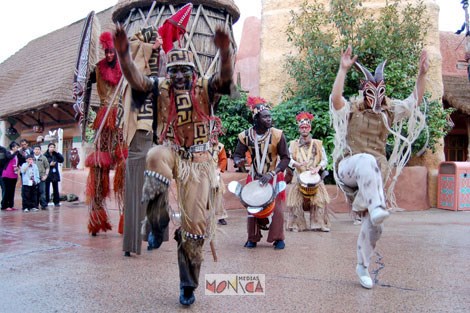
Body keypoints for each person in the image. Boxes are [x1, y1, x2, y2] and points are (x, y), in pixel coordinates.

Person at [113, 21, 233, 306]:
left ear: (193, 73)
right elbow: (136, 80)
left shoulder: (206, 87)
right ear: (168, 73)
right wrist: (123, 55)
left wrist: (225, 51)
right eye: (174, 71)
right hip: (173, 152)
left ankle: (187, 284)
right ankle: (158, 221)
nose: (179, 76)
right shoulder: (161, 87)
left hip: (200, 162)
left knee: (194, 229)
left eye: (184, 71)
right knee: (154, 155)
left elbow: (226, 78)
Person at [330, 46, 429, 289]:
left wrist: (422, 75)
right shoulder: (353, 108)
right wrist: (343, 70)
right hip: (350, 167)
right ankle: (377, 206)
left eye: (379, 91)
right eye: (369, 92)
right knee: (365, 159)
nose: (374, 97)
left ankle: (362, 266)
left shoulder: (390, 111)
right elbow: (336, 100)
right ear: (364, 92)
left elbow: (414, 100)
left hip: (374, 175)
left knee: (376, 226)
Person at [74, 31, 127, 236]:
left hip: (121, 118)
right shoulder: (98, 69)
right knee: (98, 167)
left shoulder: (125, 68)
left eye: (112, 52)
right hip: (104, 119)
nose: (109, 55)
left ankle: (125, 218)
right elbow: (84, 85)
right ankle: (96, 217)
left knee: (124, 164)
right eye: (106, 52)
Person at [117, 26, 163, 256]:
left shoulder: (156, 81)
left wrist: (158, 51)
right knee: (135, 194)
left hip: (154, 141)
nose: (154, 52)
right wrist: (149, 47)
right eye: (151, 49)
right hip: (138, 140)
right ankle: (131, 245)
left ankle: (151, 236)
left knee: (155, 191)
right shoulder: (133, 79)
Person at [232, 100, 290, 250]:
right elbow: (237, 155)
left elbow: (285, 158)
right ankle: (252, 237)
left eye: (270, 116)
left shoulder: (277, 135)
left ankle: (278, 238)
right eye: (265, 117)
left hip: (274, 176)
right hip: (255, 176)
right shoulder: (245, 136)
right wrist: (239, 161)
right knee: (252, 207)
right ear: (256, 119)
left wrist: (272, 173)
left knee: (277, 209)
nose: (269, 119)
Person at [286, 112, 331, 232]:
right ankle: (297, 224)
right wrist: (297, 164)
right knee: (295, 202)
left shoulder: (318, 143)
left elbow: (324, 160)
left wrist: (317, 168)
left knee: (320, 201)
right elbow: (288, 158)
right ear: (299, 129)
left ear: (310, 128)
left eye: (306, 127)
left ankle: (318, 224)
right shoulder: (293, 144)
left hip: (314, 177)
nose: (304, 129)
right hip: (299, 177)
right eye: (302, 127)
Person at [210, 139, 228, 225]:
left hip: (215, 173)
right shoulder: (201, 145)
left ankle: (221, 216)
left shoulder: (220, 146)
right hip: (202, 174)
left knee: (218, 195)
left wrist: (219, 169)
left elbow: (223, 159)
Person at [44, 143, 64, 207]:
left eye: (53, 147)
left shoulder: (55, 154)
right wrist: (49, 164)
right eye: (51, 147)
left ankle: (56, 202)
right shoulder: (45, 155)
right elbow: (43, 164)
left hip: (55, 174)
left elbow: (61, 160)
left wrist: (57, 153)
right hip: (48, 174)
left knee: (56, 188)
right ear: (48, 148)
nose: (52, 148)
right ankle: (46, 201)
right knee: (46, 189)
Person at [1, 142, 20, 211]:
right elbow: (9, 157)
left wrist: (17, 167)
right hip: (7, 174)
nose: (17, 149)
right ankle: (4, 205)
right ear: (12, 148)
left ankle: (11, 205)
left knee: (12, 191)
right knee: (7, 190)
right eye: (16, 147)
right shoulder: (8, 152)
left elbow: (17, 162)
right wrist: (15, 152)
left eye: (18, 147)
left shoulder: (17, 155)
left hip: (14, 174)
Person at [32, 145, 50, 210]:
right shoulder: (31, 158)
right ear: (33, 150)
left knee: (42, 192)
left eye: (38, 149)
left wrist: (46, 175)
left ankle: (43, 205)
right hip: (33, 178)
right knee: (34, 192)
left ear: (40, 150)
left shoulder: (44, 158)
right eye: (35, 149)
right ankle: (35, 205)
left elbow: (47, 167)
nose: (37, 150)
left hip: (42, 177)